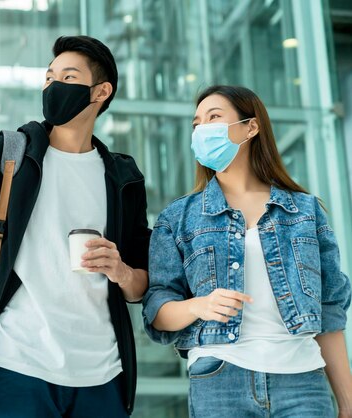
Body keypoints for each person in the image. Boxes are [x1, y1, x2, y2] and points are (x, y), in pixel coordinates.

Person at [0, 35, 151, 417]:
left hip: (102, 372)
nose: (52, 86)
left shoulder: (123, 177)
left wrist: (121, 270)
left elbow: (140, 287)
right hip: (16, 363)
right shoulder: (7, 155)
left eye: (67, 77)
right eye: (49, 78)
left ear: (101, 91)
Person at [143, 85, 352, 417]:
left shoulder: (305, 211)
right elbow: (157, 310)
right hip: (220, 380)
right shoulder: (178, 217)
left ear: (250, 127)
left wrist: (347, 403)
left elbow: (330, 314)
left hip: (302, 382)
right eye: (196, 124)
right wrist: (201, 305)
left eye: (214, 117)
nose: (201, 130)